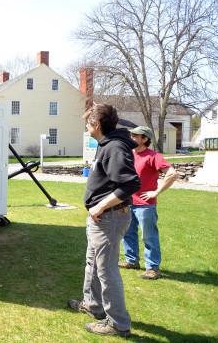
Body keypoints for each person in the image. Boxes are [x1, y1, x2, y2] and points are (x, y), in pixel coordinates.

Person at [67, 103, 141, 337]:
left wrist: (100, 205)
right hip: (102, 219)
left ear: (96, 125)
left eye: (88, 123)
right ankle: (93, 305)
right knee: (93, 263)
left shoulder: (115, 147)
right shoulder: (107, 144)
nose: (87, 127)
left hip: (109, 218)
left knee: (107, 270)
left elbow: (130, 183)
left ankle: (118, 323)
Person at [120, 126, 177, 280]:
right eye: (131, 135)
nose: (131, 138)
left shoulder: (154, 156)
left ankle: (153, 268)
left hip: (145, 205)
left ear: (144, 139)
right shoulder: (129, 155)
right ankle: (132, 261)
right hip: (126, 202)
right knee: (127, 233)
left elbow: (172, 174)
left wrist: (156, 192)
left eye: (135, 136)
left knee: (149, 236)